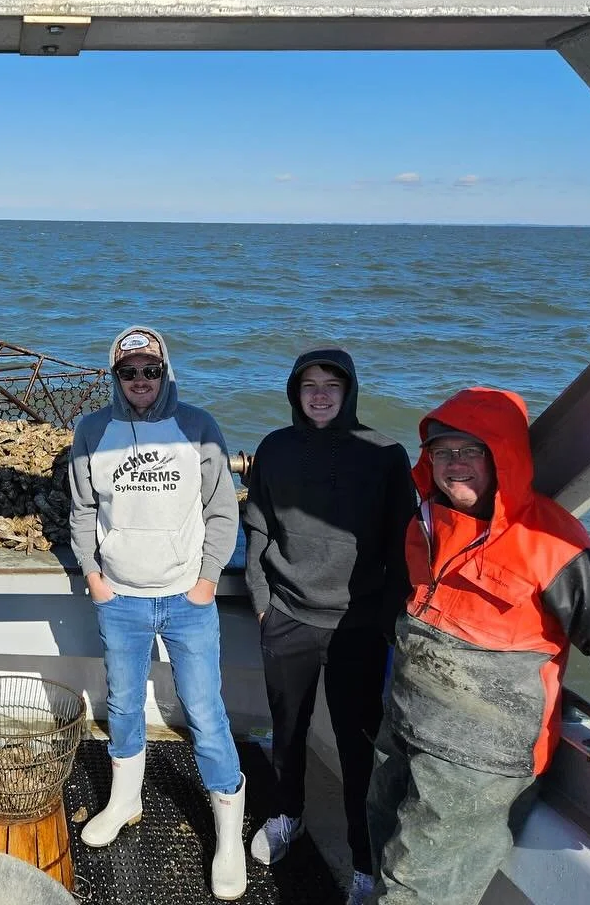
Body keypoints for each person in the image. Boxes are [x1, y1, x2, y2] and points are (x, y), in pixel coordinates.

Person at [368, 387, 590, 904]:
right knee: (380, 828)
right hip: (405, 723)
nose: (455, 464)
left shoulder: (555, 545)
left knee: (414, 891)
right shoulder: (424, 523)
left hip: (478, 763)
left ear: (502, 457)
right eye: (443, 452)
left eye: (471, 450)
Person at [68, 325, 248, 900]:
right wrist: (96, 580)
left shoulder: (199, 426)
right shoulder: (91, 430)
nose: (140, 381)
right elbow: (81, 512)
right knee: (122, 703)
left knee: (205, 711)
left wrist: (206, 581)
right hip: (119, 598)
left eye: (150, 370)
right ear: (114, 375)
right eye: (129, 371)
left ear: (165, 371)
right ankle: (124, 800)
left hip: (186, 600)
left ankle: (229, 836)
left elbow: (222, 511)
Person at [242, 348, 415, 905]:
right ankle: (285, 814)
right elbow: (259, 528)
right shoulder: (274, 448)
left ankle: (364, 863)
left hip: (357, 629)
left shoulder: (386, 455)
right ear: (294, 390)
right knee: (287, 732)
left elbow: (401, 546)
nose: (319, 394)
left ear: (350, 391)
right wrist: (264, 600)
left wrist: (386, 620)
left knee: (357, 747)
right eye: (308, 384)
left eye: (331, 385)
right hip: (287, 616)